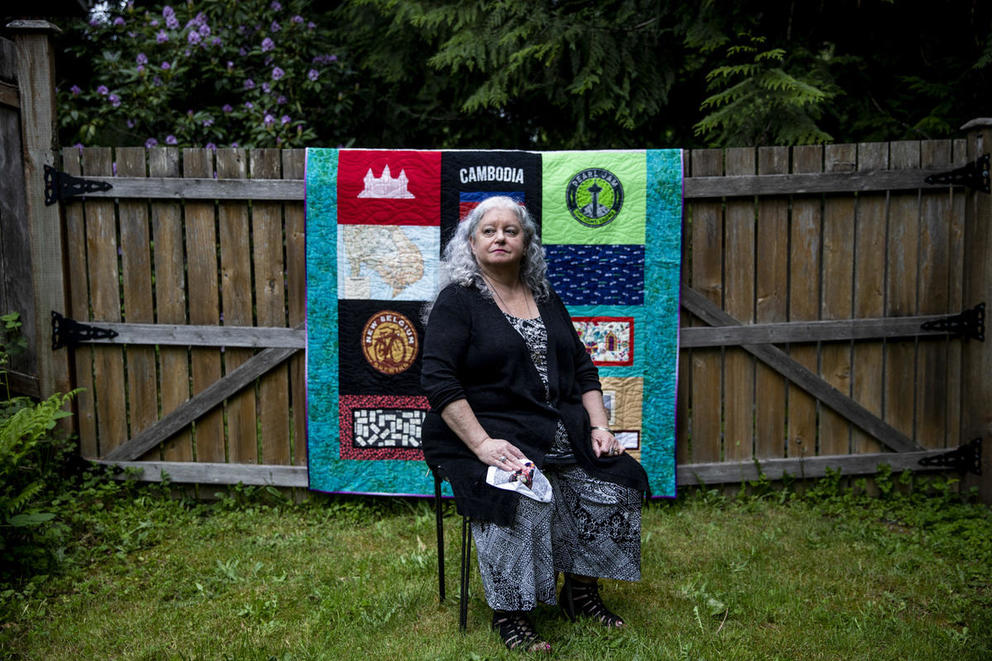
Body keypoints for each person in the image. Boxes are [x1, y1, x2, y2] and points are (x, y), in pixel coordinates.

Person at [420, 195, 649, 653]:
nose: (500, 237)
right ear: (471, 242)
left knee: (619, 479)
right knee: (517, 494)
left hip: (554, 428)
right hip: (481, 434)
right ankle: (513, 613)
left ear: (527, 243)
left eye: (511, 230)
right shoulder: (458, 301)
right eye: (489, 230)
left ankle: (579, 594)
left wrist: (600, 428)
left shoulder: (545, 297)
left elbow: (584, 368)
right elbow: (438, 380)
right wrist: (483, 445)